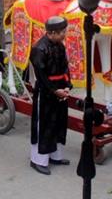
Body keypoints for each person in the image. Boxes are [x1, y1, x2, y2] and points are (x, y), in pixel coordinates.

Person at [29, 16, 72, 175]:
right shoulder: (39, 49)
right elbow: (41, 76)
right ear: (52, 33)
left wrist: (67, 86)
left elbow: (65, 68)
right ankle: (38, 160)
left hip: (60, 90)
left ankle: (55, 156)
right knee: (44, 126)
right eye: (62, 32)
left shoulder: (60, 46)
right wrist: (55, 90)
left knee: (59, 123)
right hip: (46, 93)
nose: (64, 35)